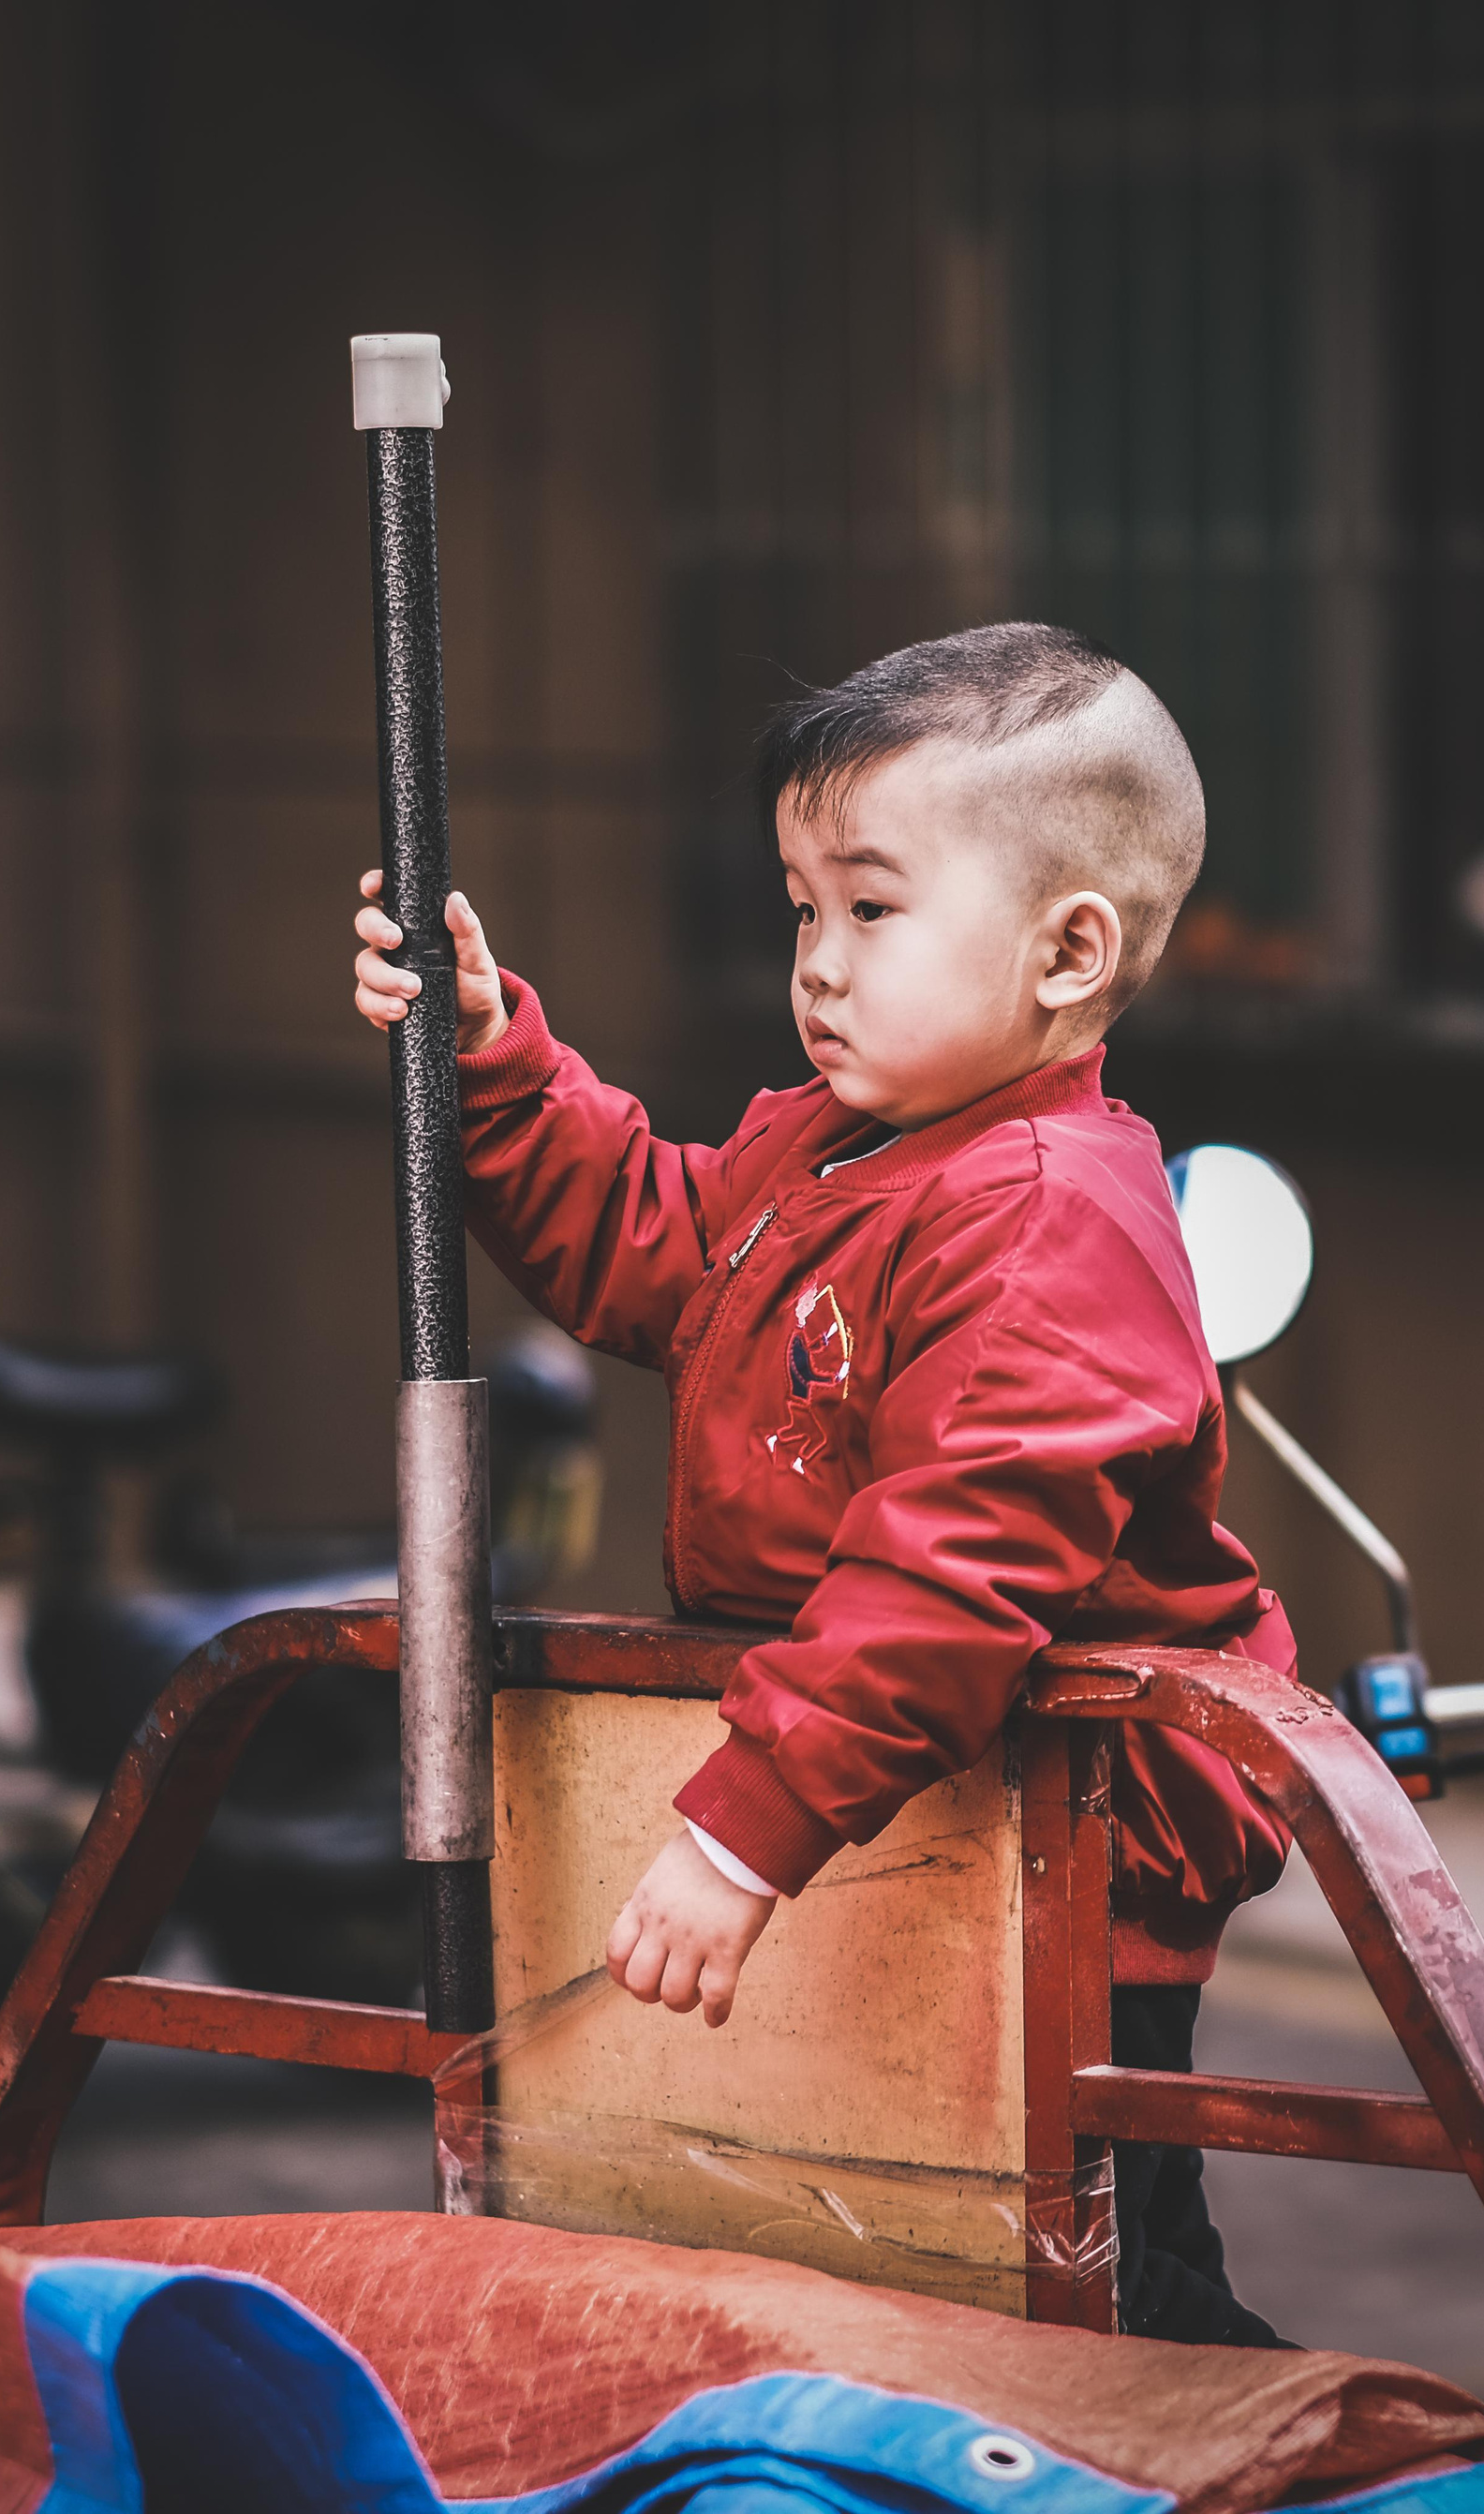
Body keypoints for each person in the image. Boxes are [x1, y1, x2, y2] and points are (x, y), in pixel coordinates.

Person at [350, 621, 1293, 2347]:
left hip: (1058, 1852)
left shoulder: (1048, 1217)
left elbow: (951, 1569)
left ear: (1070, 951)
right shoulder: (834, 1149)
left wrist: (742, 1828)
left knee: (1083, 2284)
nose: (820, 966)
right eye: (803, 910)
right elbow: (645, 1239)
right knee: (890, 2248)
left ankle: (1327, 2453)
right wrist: (489, 1062)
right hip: (902, 1812)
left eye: (871, 909)